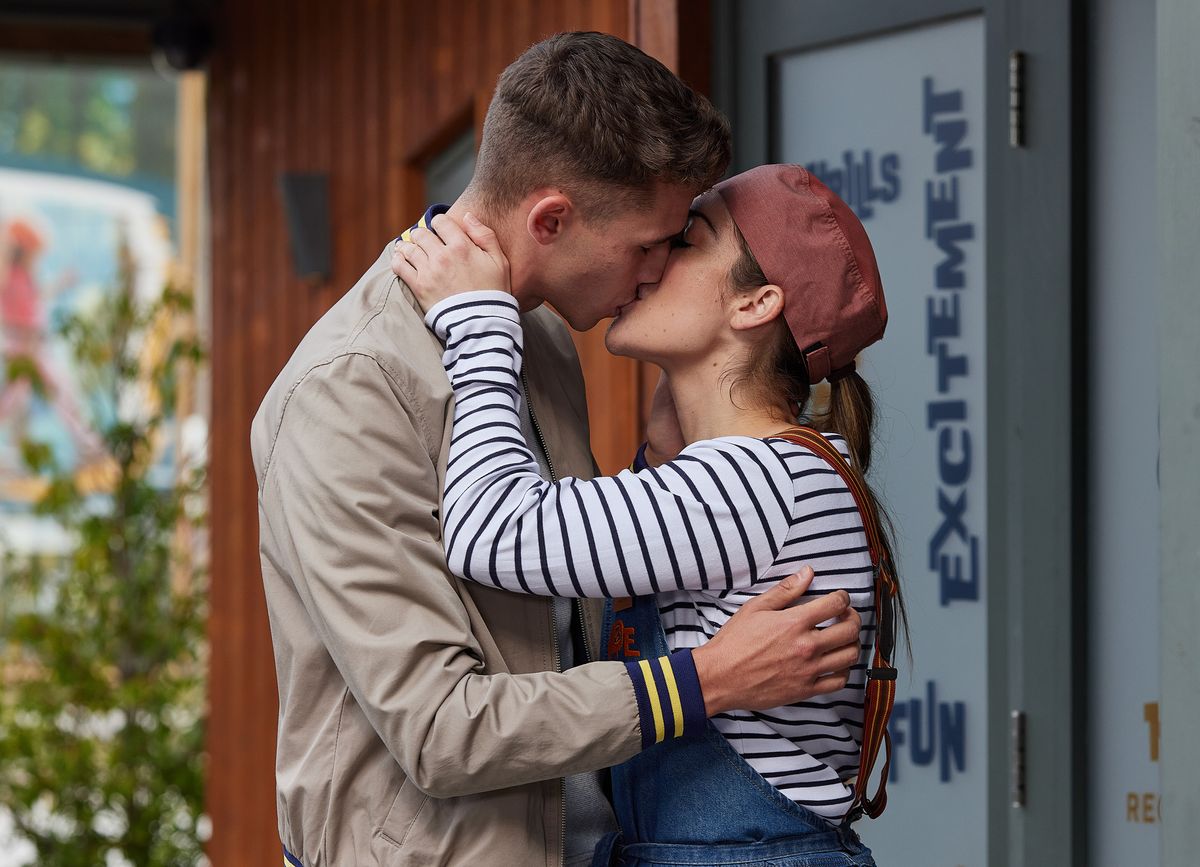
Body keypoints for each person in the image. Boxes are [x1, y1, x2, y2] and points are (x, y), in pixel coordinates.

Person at [251, 34, 863, 867]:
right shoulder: (350, 388)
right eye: (652, 243)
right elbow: (438, 728)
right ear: (552, 219)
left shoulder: (536, 336)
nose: (652, 273)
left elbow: (561, 602)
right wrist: (707, 676)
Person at [394, 163, 906, 866]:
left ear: (755, 304)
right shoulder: (780, 469)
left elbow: (491, 530)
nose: (652, 261)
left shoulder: (752, 481)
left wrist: (480, 324)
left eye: (685, 242)